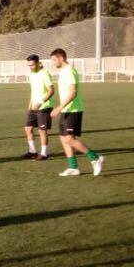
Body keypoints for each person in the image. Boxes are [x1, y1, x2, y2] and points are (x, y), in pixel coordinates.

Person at [49, 48, 104, 176]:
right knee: (63, 138)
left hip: (73, 110)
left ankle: (95, 158)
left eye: (54, 60)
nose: (53, 63)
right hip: (67, 110)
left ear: (61, 58)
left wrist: (59, 108)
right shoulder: (63, 71)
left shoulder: (69, 71)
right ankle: (73, 167)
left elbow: (73, 92)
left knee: (69, 139)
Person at [22, 54, 55, 161]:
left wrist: (41, 102)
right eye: (28, 65)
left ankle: (44, 154)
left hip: (44, 106)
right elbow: (34, 91)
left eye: (32, 65)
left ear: (37, 63)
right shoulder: (31, 74)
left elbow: (51, 91)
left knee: (42, 131)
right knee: (28, 129)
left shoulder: (45, 74)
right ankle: (32, 151)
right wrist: (30, 104)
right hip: (33, 106)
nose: (30, 67)